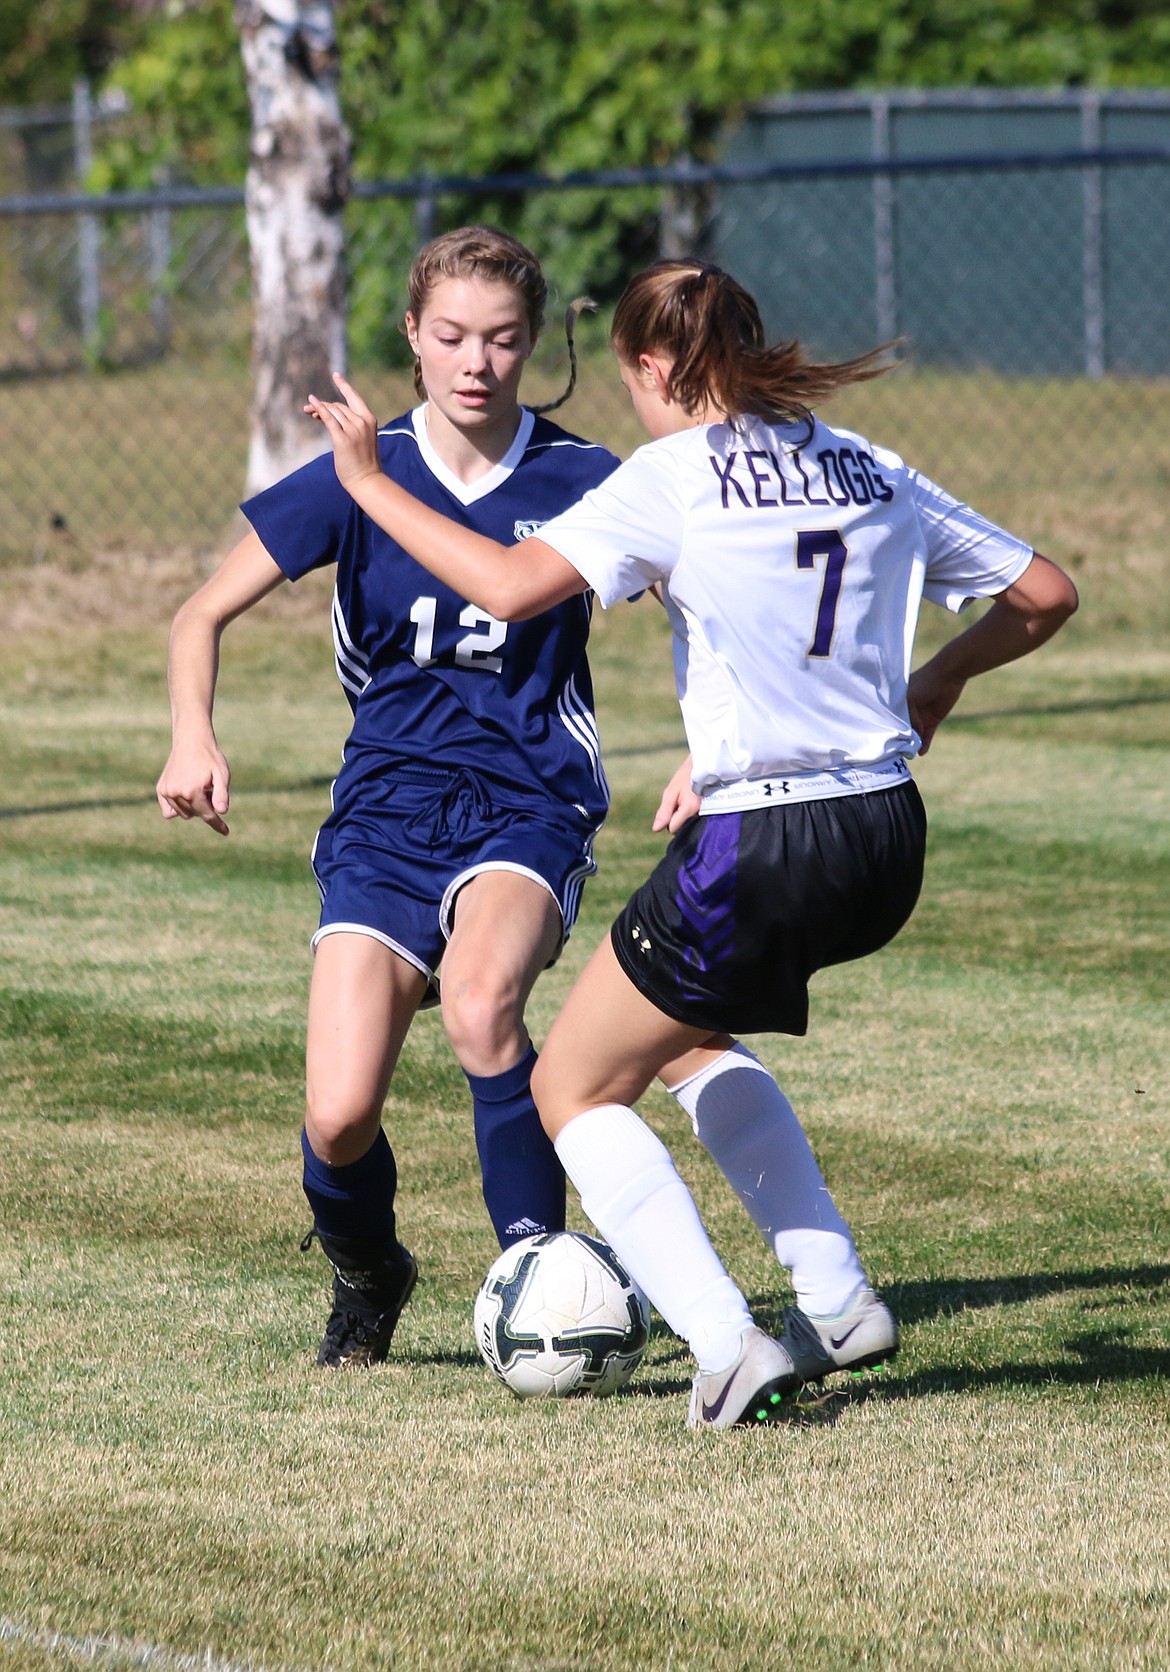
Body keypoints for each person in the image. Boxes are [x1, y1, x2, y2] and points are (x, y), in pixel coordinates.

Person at [303, 258, 1078, 1426]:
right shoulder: (866, 459)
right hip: (883, 833)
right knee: (681, 1033)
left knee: (569, 1082)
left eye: (633, 381)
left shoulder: (673, 474)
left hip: (760, 840)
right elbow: (1046, 592)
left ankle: (726, 1345)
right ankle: (835, 1295)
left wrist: (367, 485)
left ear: (654, 366)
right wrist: (936, 682)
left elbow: (512, 588)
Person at [156, 227, 625, 1369]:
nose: (478, 362)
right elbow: (198, 614)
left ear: (534, 344)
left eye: (505, 340)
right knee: (336, 1115)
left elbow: (711, 601)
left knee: (478, 1005)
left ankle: (539, 1277)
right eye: (453, 336)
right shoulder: (361, 470)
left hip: (529, 801)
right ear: (411, 337)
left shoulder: (584, 477)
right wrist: (192, 734)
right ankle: (370, 1274)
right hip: (384, 815)